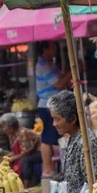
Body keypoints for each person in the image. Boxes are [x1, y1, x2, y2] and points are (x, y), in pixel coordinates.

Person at [48, 90, 97, 193]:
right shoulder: (71, 138)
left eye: (57, 119)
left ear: (72, 119)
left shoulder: (86, 144)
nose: (54, 124)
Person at [36, 41, 72, 178]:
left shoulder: (49, 64)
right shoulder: (43, 65)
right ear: (45, 49)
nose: (55, 48)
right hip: (48, 106)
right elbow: (59, 83)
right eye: (52, 46)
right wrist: (72, 71)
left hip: (53, 104)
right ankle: (47, 170)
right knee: (47, 138)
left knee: (54, 136)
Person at [0, 113, 42, 188]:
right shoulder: (11, 134)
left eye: (4, 126)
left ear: (11, 126)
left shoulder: (22, 133)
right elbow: (15, 152)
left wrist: (11, 158)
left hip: (39, 151)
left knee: (25, 160)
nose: (3, 129)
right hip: (27, 152)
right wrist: (6, 157)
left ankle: (26, 186)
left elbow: (25, 152)